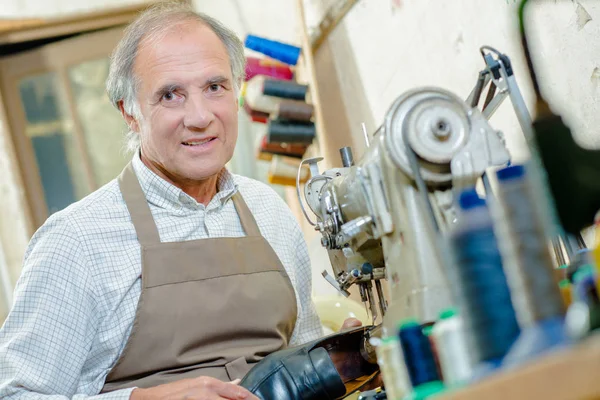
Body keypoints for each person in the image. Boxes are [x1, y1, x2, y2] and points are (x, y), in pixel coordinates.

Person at [0, 3, 361, 399]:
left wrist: (342, 361)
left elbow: (299, 352)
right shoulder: (75, 242)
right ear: (130, 113)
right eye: (171, 95)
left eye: (214, 87)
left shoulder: (267, 209)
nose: (200, 116)